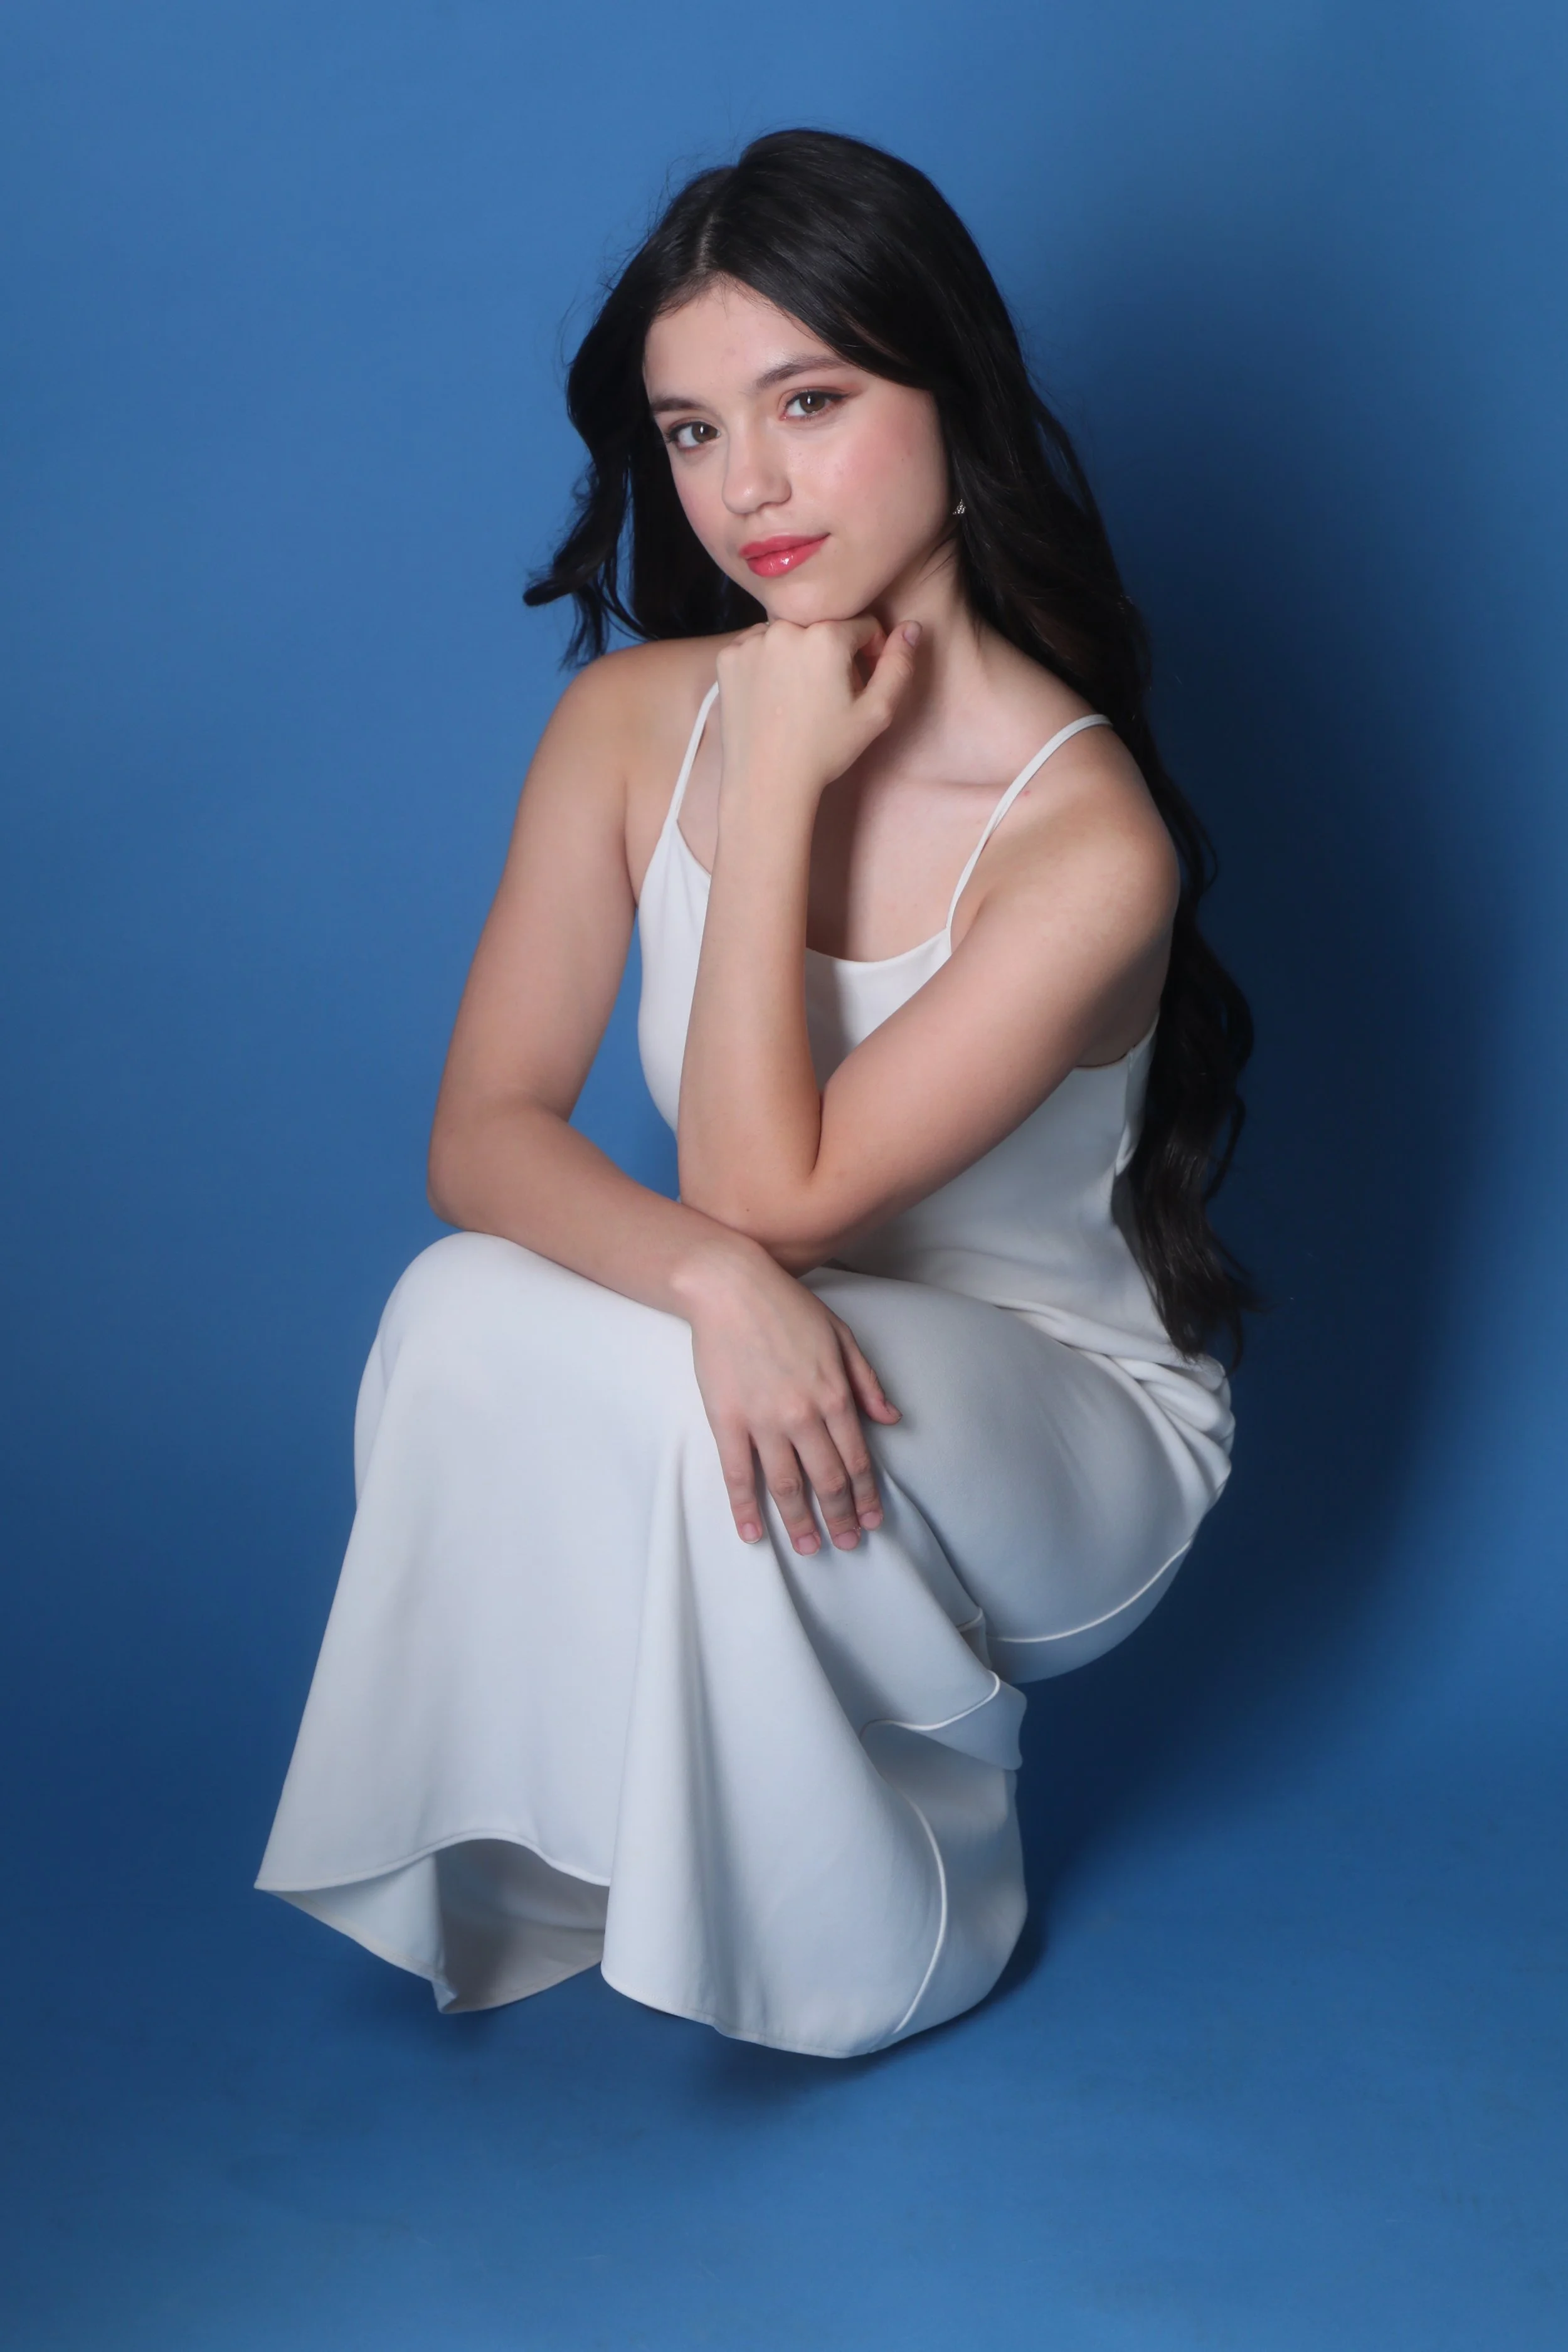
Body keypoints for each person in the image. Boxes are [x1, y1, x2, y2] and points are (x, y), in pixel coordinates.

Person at [256, 129, 1254, 2059]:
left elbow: (760, 1186)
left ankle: (890, 1919)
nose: (748, 487)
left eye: (809, 401)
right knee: (451, 1306)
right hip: (777, 1347)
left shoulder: (1082, 842)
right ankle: (577, 1844)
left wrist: (783, 772)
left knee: (648, 1336)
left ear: (950, 405)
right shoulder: (626, 726)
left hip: (1056, 1424)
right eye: (693, 430)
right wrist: (715, 1287)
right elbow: (484, 1140)